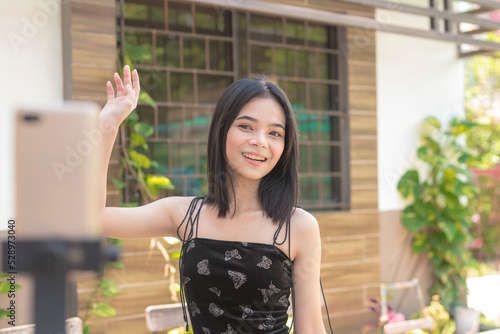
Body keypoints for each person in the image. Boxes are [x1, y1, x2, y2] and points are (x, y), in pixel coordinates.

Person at [98, 65, 328, 333]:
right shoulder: (184, 215)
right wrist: (107, 126)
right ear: (221, 130)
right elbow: (93, 219)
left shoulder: (298, 226)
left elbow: (310, 328)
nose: (260, 141)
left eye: (274, 133)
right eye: (246, 126)